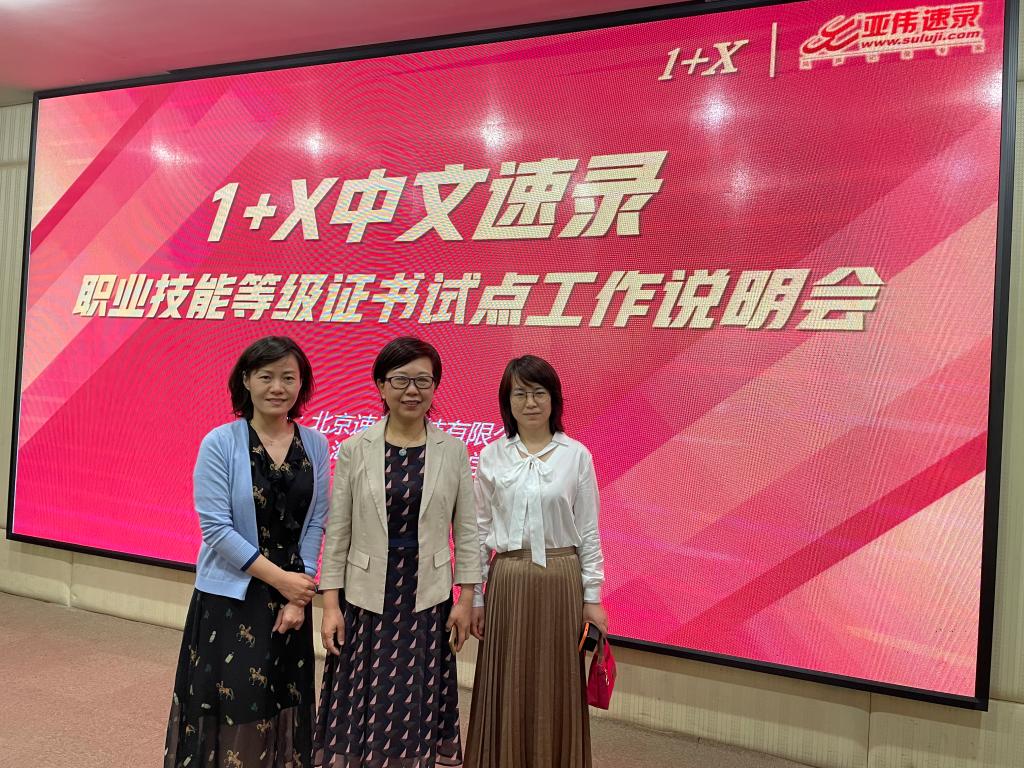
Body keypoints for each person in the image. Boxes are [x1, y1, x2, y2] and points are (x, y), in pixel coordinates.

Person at [315, 336, 483, 768]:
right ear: (381, 385)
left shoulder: (453, 451)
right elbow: (339, 532)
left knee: (413, 696)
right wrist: (330, 605)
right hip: (366, 595)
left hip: (426, 594)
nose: (412, 390)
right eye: (401, 380)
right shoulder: (355, 448)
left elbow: (467, 533)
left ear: (435, 386)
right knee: (364, 695)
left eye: (423, 381)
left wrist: (466, 598)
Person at [164, 336, 329, 768]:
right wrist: (283, 581)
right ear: (246, 381)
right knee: (234, 703)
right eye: (266, 376)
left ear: (301, 384)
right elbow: (216, 529)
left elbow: (316, 522)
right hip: (233, 596)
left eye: (288, 378)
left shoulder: (315, 444)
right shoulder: (220, 442)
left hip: (292, 597)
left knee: (278, 700)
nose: (277, 387)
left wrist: (299, 593)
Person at [464, 355, 607, 768]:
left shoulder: (576, 455)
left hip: (561, 580)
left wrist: (592, 597)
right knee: (506, 677)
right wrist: (475, 597)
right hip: (507, 581)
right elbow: (478, 532)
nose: (530, 402)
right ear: (507, 402)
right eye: (520, 394)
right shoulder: (491, 456)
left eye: (538, 392)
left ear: (554, 399)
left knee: (557, 678)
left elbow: (589, 530)